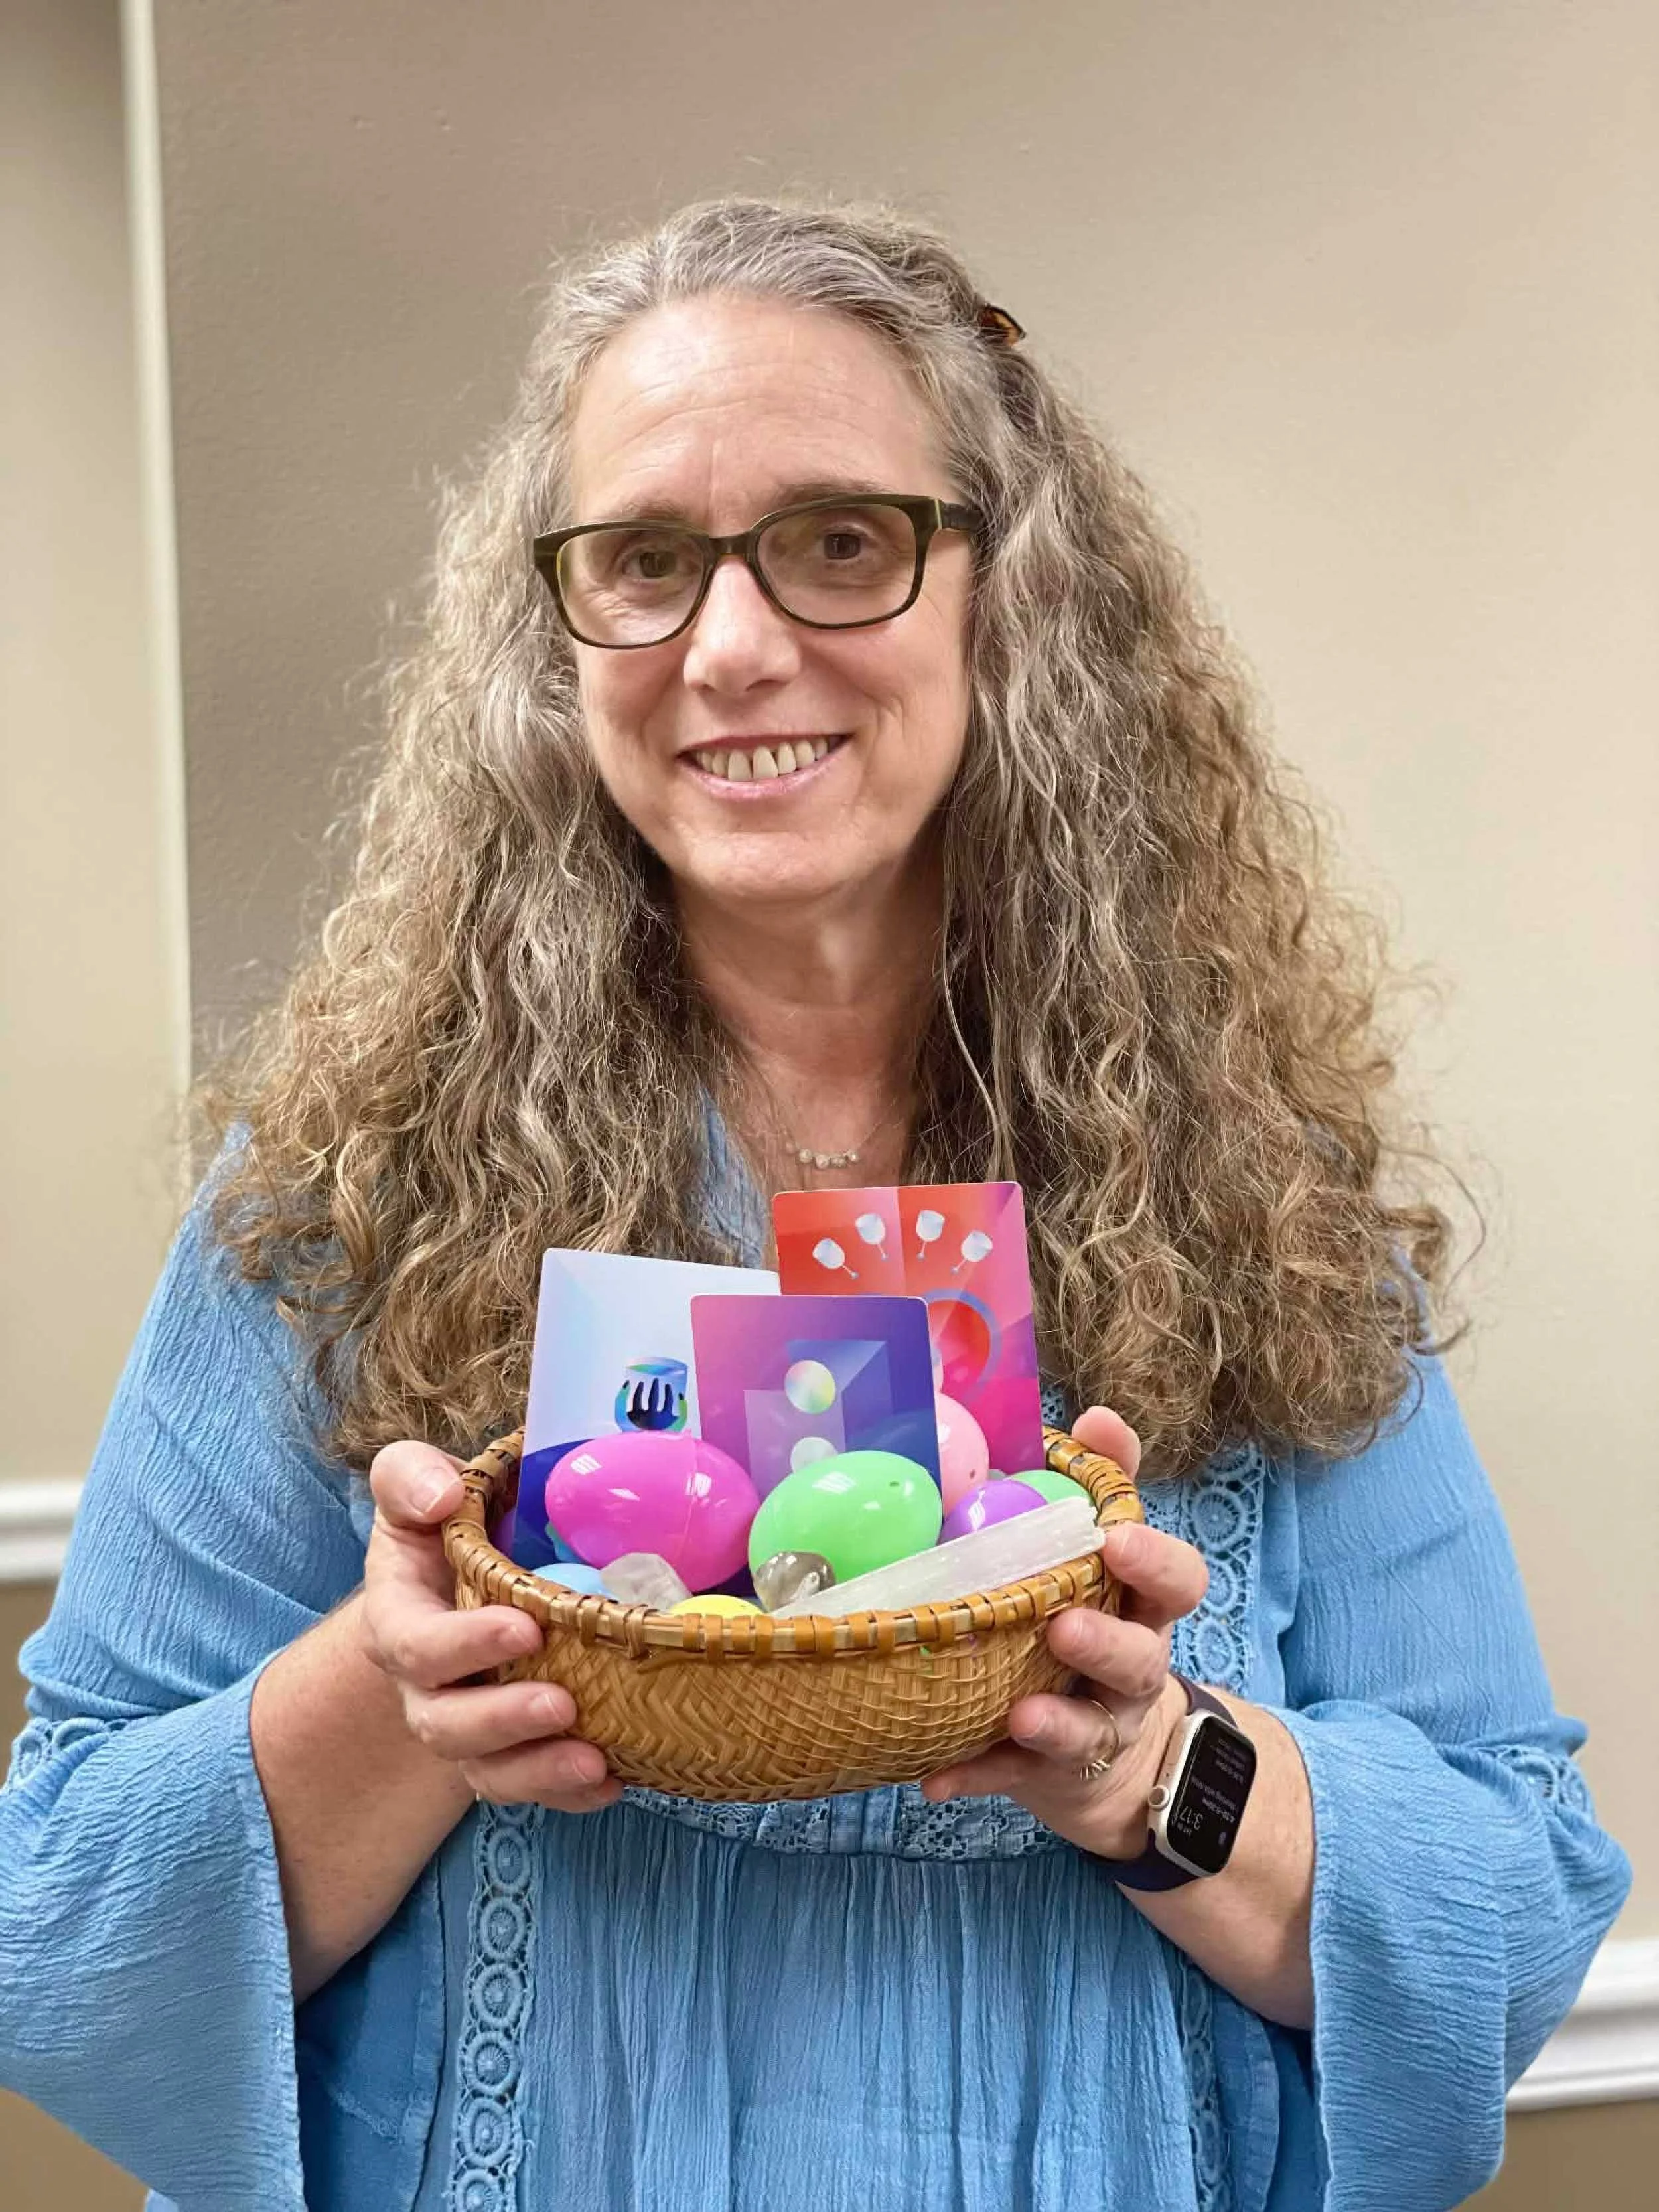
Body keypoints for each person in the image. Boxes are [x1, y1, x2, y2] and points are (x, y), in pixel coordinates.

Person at [0, 198, 1630, 2212]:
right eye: (645, 561)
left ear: (1001, 595)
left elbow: (1504, 1887)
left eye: (841, 540)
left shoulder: (1239, 1197)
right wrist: (408, 1693)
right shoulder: (346, 1194)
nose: (733, 644)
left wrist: (1147, 1769)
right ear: (558, 631)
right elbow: (59, 1902)